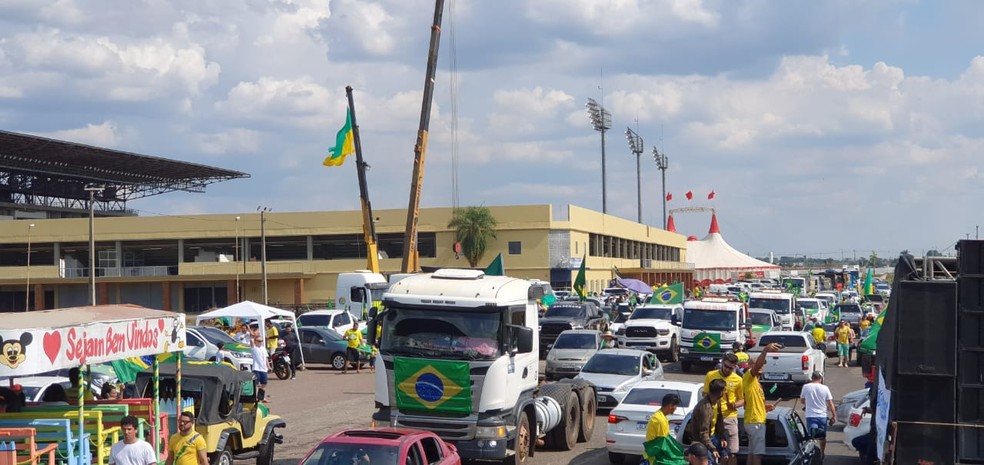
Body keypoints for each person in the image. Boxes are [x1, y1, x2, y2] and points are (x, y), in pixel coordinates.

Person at [742, 342, 782, 465]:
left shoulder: (756, 384)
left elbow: (748, 404)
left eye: (762, 365)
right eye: (758, 365)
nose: (760, 367)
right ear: (750, 367)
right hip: (755, 422)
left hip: (754, 420)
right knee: (757, 455)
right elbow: (755, 367)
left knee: (752, 453)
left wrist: (765, 408)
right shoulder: (749, 377)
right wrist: (765, 351)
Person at [703, 353, 742, 465]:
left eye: (731, 368)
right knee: (714, 452)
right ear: (722, 363)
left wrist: (735, 405)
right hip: (713, 419)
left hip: (730, 418)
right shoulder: (711, 375)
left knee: (732, 453)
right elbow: (705, 395)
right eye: (726, 366)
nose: (728, 369)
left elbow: (742, 400)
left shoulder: (738, 380)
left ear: (735, 367)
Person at [793, 371, 836, 454]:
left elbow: (802, 400)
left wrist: (809, 404)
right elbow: (830, 403)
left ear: (812, 378)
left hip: (811, 416)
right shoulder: (825, 388)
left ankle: (812, 454)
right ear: (820, 378)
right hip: (822, 416)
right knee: (822, 437)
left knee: (812, 437)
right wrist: (834, 416)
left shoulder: (806, 387)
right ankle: (822, 452)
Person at [688, 379, 727, 464]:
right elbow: (703, 433)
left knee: (725, 456)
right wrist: (712, 448)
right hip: (702, 441)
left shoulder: (717, 401)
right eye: (724, 390)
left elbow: (719, 420)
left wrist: (722, 437)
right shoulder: (705, 408)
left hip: (713, 436)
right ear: (720, 392)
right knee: (709, 462)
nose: (725, 392)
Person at [643, 393, 681, 464]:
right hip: (657, 457)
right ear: (670, 406)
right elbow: (663, 443)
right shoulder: (660, 420)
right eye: (676, 406)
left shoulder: (661, 416)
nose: (676, 408)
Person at [250, 332, 269, 402]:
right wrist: (254, 335)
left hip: (264, 369)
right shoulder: (254, 348)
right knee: (256, 384)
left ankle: (261, 397)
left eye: (261, 341)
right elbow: (251, 341)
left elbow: (266, 358)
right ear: (255, 342)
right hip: (256, 368)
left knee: (264, 383)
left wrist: (268, 366)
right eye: (259, 341)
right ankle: (255, 398)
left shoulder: (263, 348)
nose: (260, 342)